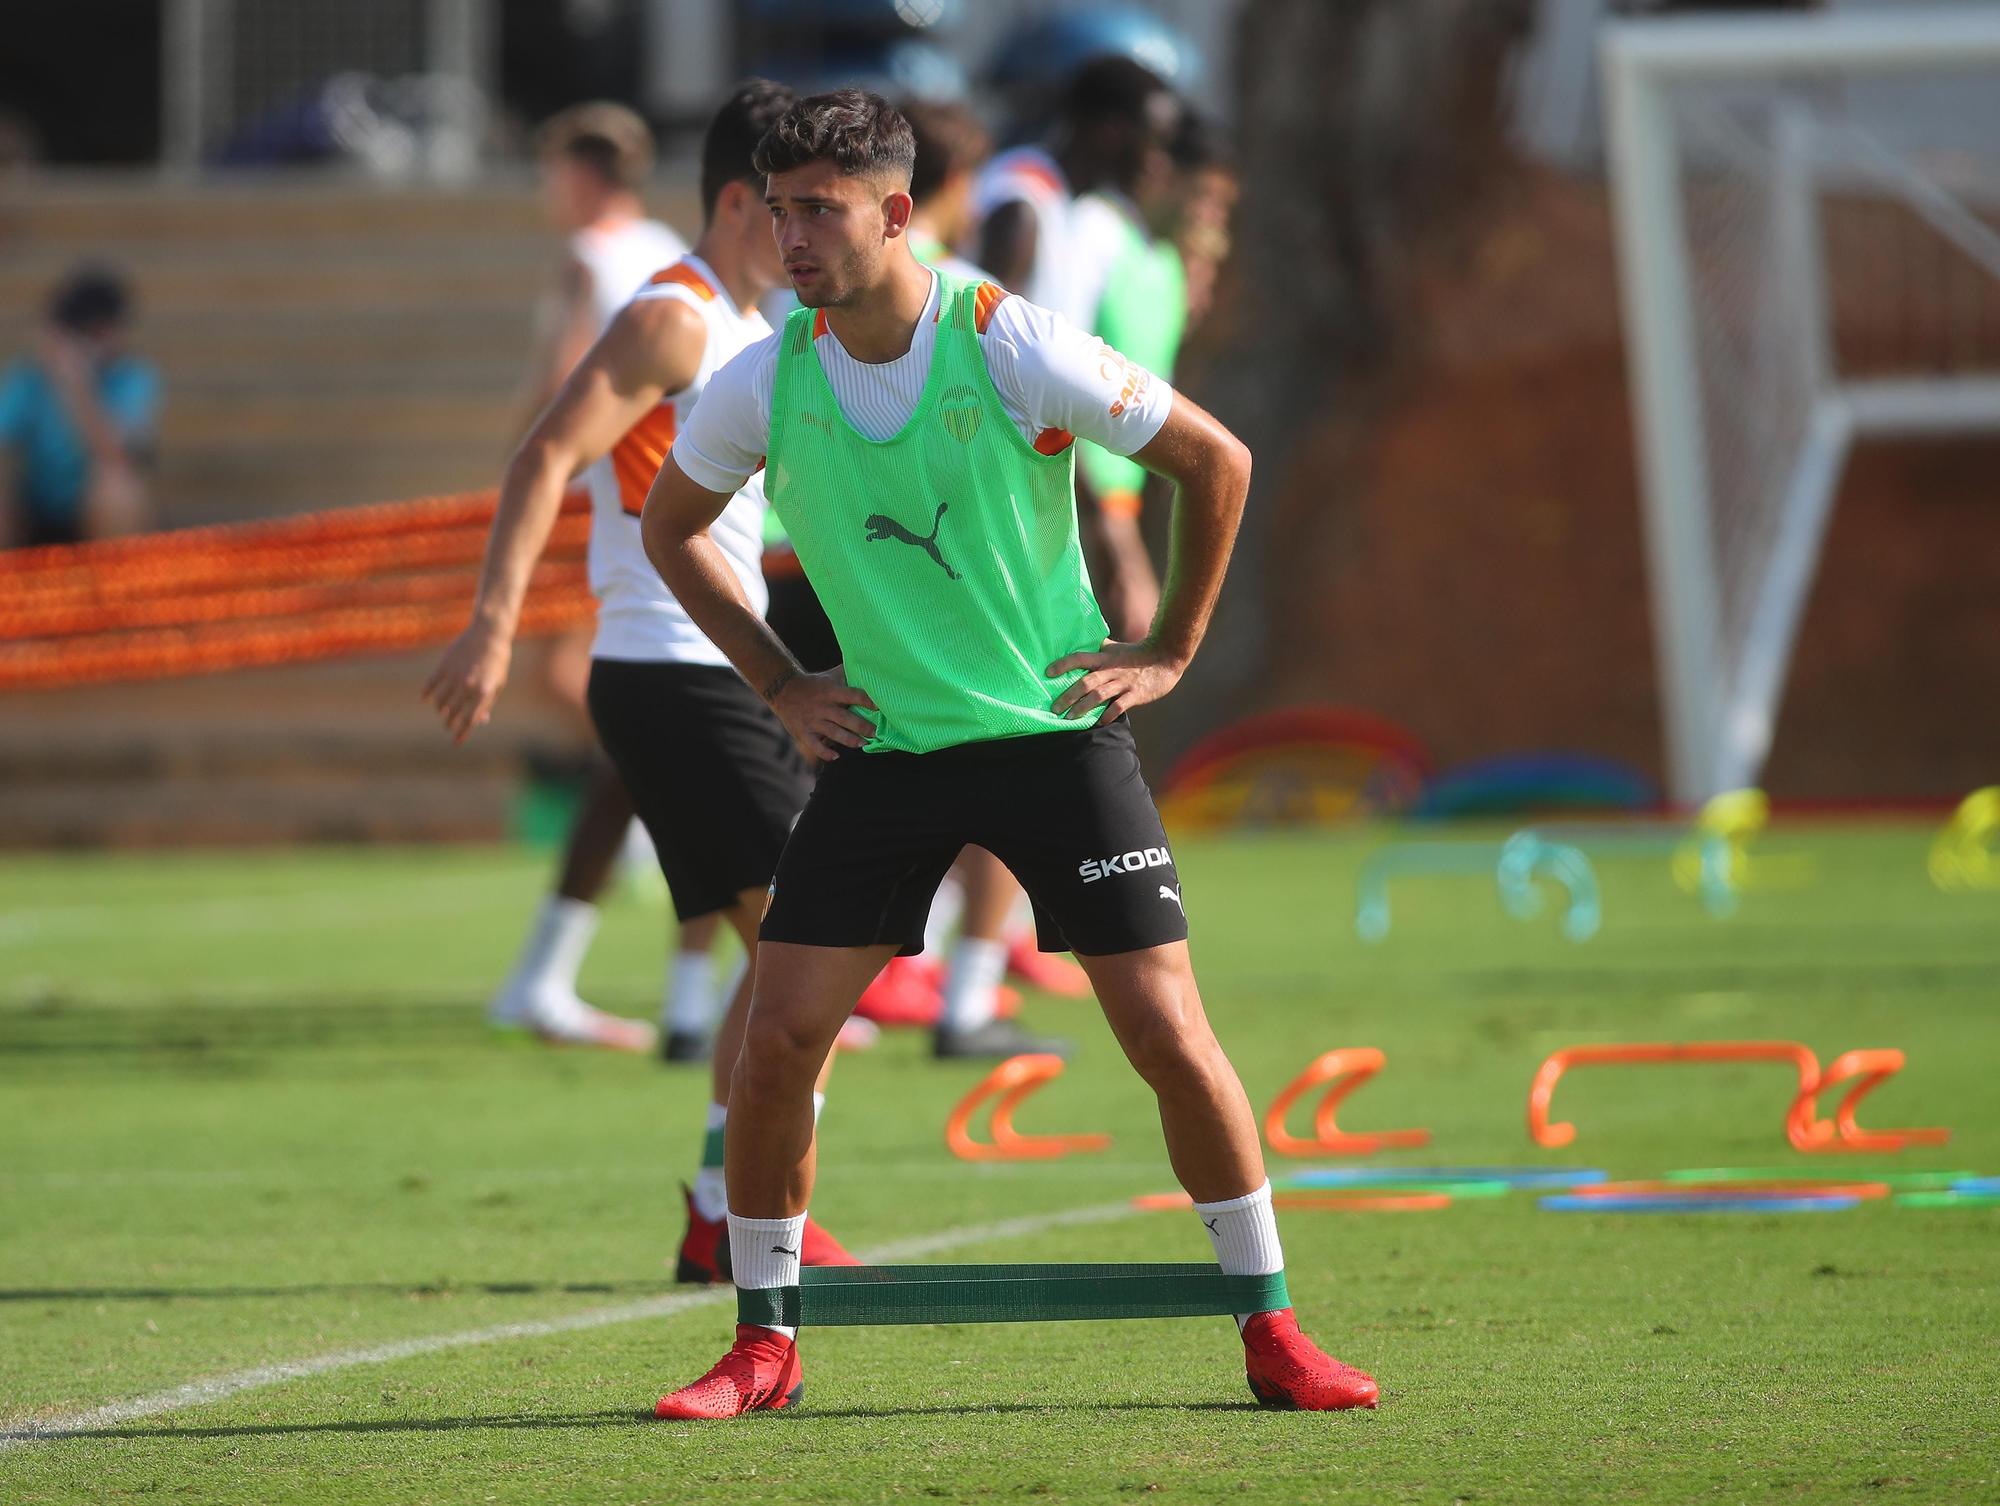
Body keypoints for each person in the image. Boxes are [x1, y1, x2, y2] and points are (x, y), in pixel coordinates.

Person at [642, 90, 1380, 1418]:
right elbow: (673, 524)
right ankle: (764, 1343)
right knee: (777, 1043)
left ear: (898, 212)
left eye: (821, 206)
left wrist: (1169, 654)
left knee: (1166, 1032)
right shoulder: (767, 372)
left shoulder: (1009, 341)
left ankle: (1272, 1329)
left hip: (1054, 740)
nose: (790, 233)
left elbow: (1217, 462)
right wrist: (780, 680)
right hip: (886, 753)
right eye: (776, 205)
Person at [422, 80, 856, 1281]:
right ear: (736, 201)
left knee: (796, 959)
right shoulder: (672, 317)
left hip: (717, 666)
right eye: (789, 206)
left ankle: (726, 1211)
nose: (806, 230)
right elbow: (541, 456)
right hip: (668, 669)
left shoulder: (762, 330)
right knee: (807, 954)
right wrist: (493, 628)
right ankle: (740, 1218)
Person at [483, 102, 705, 1058]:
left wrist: (516, 469)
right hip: (659, 490)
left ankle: (646, 818)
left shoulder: (588, 257)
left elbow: (561, 378)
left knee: (586, 684)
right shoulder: (667, 248)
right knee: (606, 688)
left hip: (591, 492)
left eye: (551, 173)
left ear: (583, 174)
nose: (546, 193)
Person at [973, 56, 1181, 643]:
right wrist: (1110, 532)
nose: (1159, 161)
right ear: (1113, 132)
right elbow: (981, 364)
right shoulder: (1021, 206)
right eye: (1154, 142)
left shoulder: (1074, 210)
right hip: (992, 499)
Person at [1, 267, 159, 548]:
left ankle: (118, 584)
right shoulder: (28, 379)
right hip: (34, 508)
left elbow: (118, 456)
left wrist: (77, 388)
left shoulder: (132, 378)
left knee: (117, 486)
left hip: (98, 513)